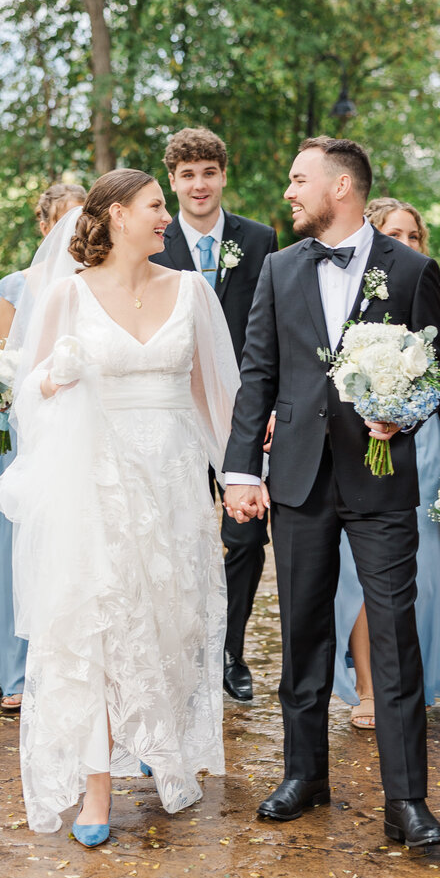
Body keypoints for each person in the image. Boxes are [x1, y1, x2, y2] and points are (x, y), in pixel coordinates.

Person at [0, 169, 239, 846]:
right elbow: (26, 389)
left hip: (176, 484)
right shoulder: (66, 296)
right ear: (119, 215)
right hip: (96, 482)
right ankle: (96, 791)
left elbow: (220, 398)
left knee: (170, 622)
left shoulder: (192, 290)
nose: (167, 217)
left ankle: (157, 739)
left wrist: (241, 475)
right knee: (97, 627)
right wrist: (52, 377)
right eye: (157, 206)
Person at [224, 137, 440, 849]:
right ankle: (303, 774)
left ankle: (406, 801)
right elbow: (258, 373)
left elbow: (435, 373)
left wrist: (404, 412)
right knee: (303, 631)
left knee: (393, 637)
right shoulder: (278, 269)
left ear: (342, 186)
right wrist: (240, 471)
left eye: (300, 180)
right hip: (297, 476)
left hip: (380, 478)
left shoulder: (412, 270)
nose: (289, 193)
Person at [150, 127, 278, 702]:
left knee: (245, 538)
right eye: (186, 175)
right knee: (174, 534)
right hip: (170, 411)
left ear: (223, 175)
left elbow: (273, 329)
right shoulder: (153, 240)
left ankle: (229, 650)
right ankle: (182, 651)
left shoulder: (260, 239)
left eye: (208, 172)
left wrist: (269, 405)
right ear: (172, 180)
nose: (198, 185)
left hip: (240, 414)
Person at [333, 199, 440, 726]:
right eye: (397, 234)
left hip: (423, 445)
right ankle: (368, 689)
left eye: (416, 235)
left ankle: (406, 683)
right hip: (360, 444)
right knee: (365, 575)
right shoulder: (352, 289)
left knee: (423, 578)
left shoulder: (428, 287)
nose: (408, 244)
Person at [0, 181, 86, 710]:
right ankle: (15, 669)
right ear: (43, 226)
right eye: (62, 222)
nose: (71, 232)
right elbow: (7, 359)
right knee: (16, 544)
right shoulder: (16, 286)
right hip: (26, 429)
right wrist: (2, 383)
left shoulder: (96, 283)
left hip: (80, 426)